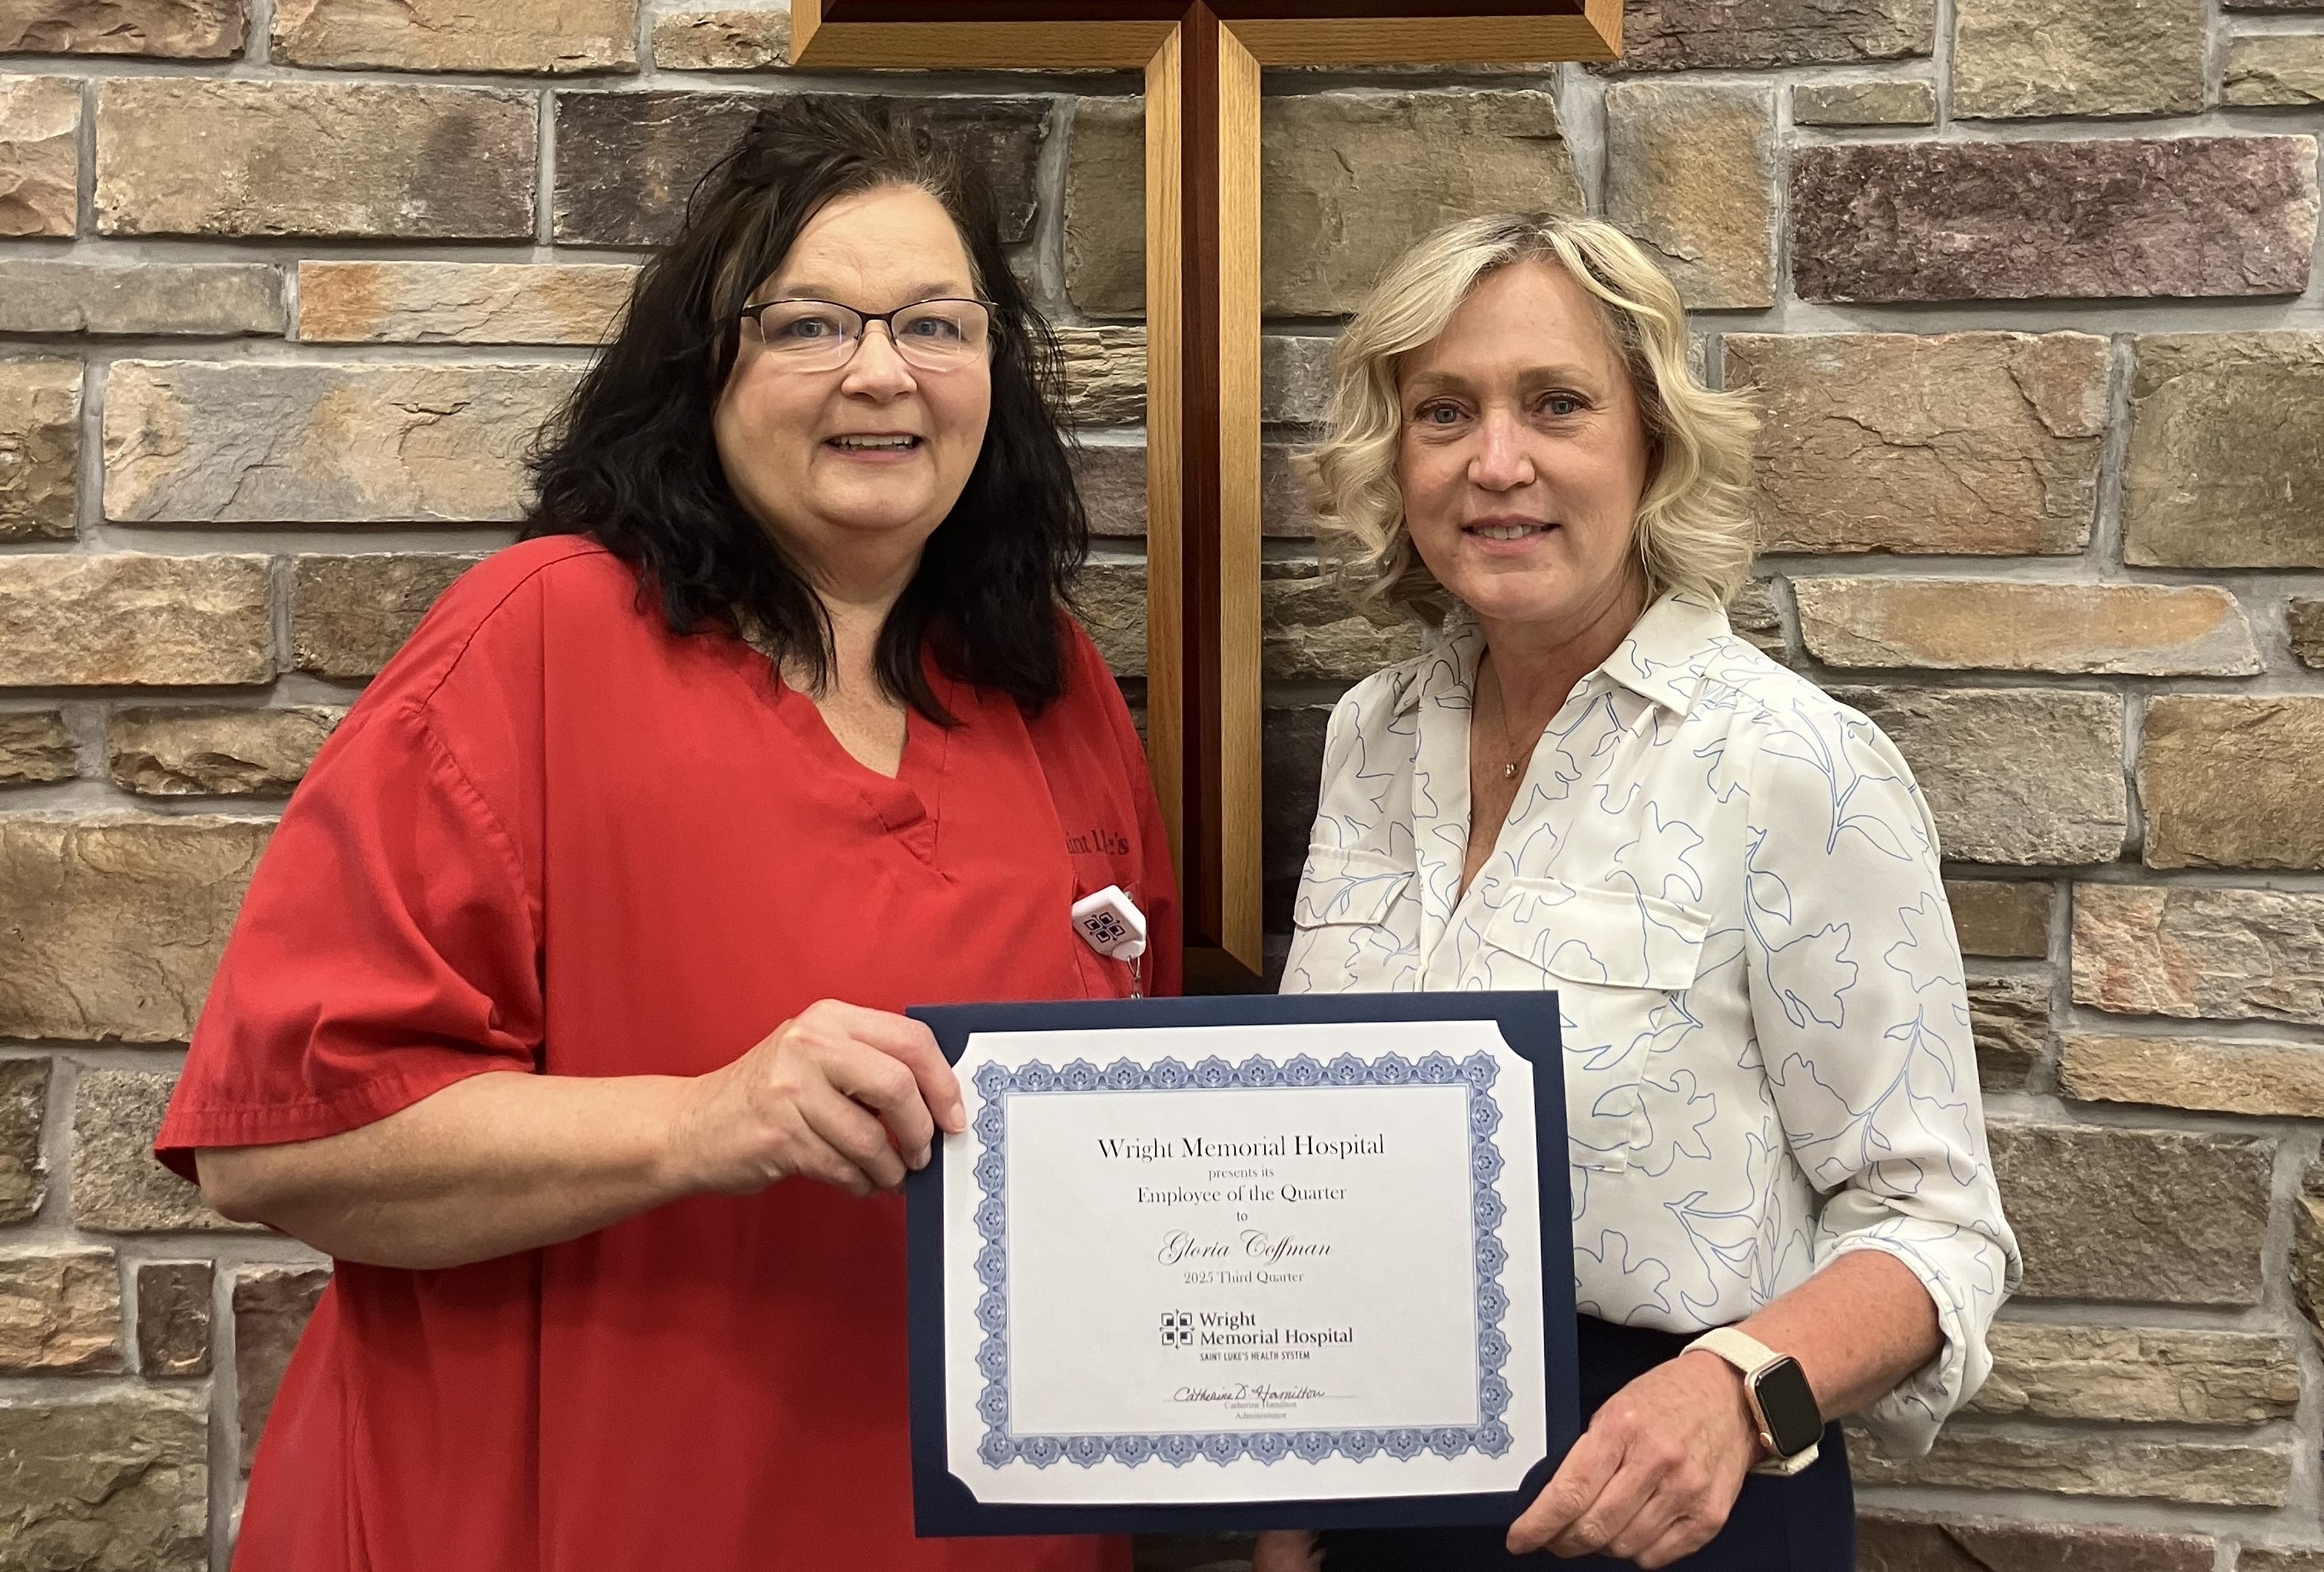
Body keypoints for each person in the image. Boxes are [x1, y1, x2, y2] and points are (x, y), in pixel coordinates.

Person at [156, 98, 1174, 1572]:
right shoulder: (536, 644)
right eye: (811, 325)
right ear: (704, 365)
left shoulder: (1050, 682)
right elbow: (287, 1141)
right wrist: (709, 1119)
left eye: (938, 327)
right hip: (569, 1519)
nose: (882, 371)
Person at [1257, 214, 2020, 1571]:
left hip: (1670, 1508)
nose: (1499, 464)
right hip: (1378, 1487)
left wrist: (1740, 1391)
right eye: (1445, 412)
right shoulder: (1369, 737)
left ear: (1651, 443)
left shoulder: (1791, 764)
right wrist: (1291, 1505)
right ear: (1398, 455)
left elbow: (1939, 1230)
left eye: (1557, 404)